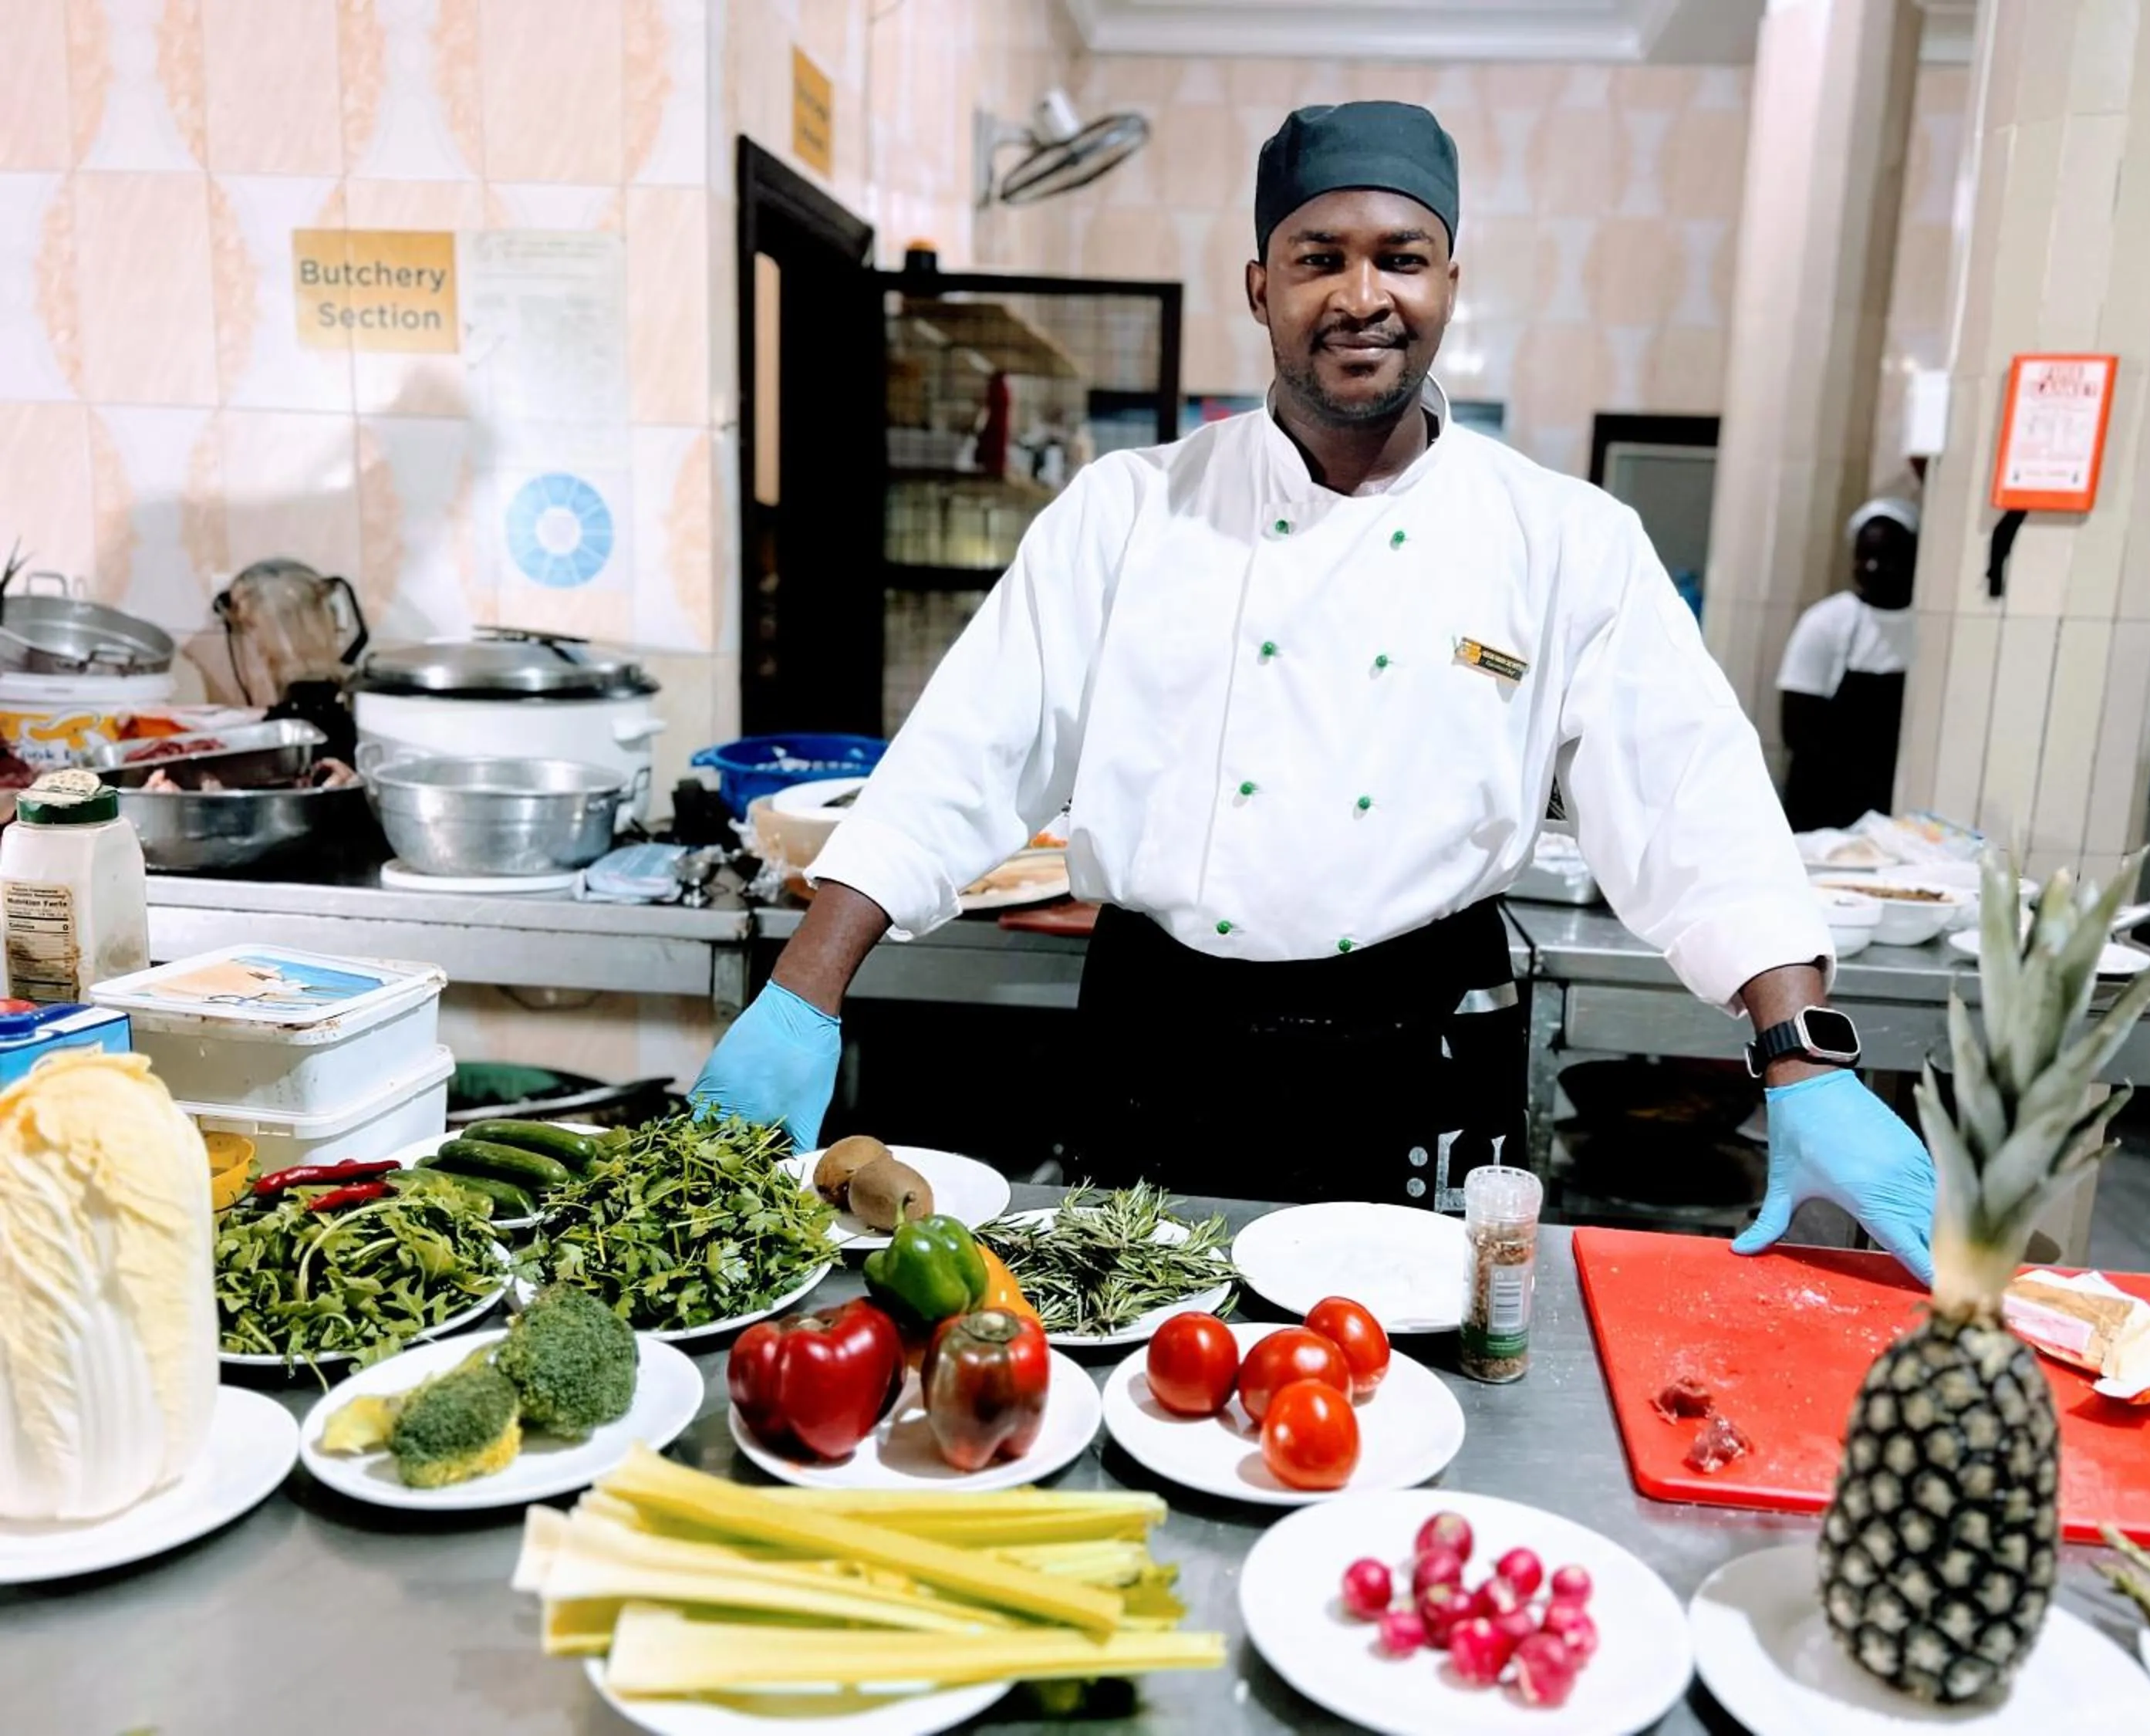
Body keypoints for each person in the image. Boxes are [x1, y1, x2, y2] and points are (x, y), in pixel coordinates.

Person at [698, 101, 1937, 1282]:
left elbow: (1692, 800)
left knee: (1418, 1407)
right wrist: (801, 993)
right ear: (1260, 287)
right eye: (1317, 257)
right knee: (1144, 1377)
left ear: (1451, 281)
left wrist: (1802, 1056)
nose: (1361, 296)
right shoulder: (1128, 513)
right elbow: (962, 756)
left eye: (1401, 256)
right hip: (1157, 1039)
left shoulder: (1564, 540)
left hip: (1423, 1046)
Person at [1777, 495, 1919, 833]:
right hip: (1821, 801)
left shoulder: (1927, 627)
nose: (1872, 568)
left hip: (1890, 803)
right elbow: (1795, 727)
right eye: (1864, 556)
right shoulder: (1828, 621)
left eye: (1886, 557)